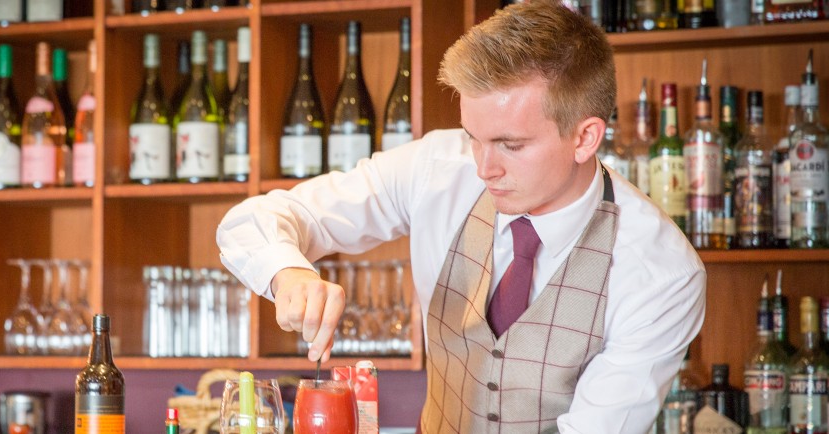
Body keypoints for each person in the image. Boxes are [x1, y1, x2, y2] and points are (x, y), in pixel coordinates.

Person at [216, 0, 706, 432]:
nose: (483, 167)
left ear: (585, 137)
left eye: (510, 145)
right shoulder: (436, 168)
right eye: (473, 135)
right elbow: (253, 221)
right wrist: (289, 273)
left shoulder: (659, 272)